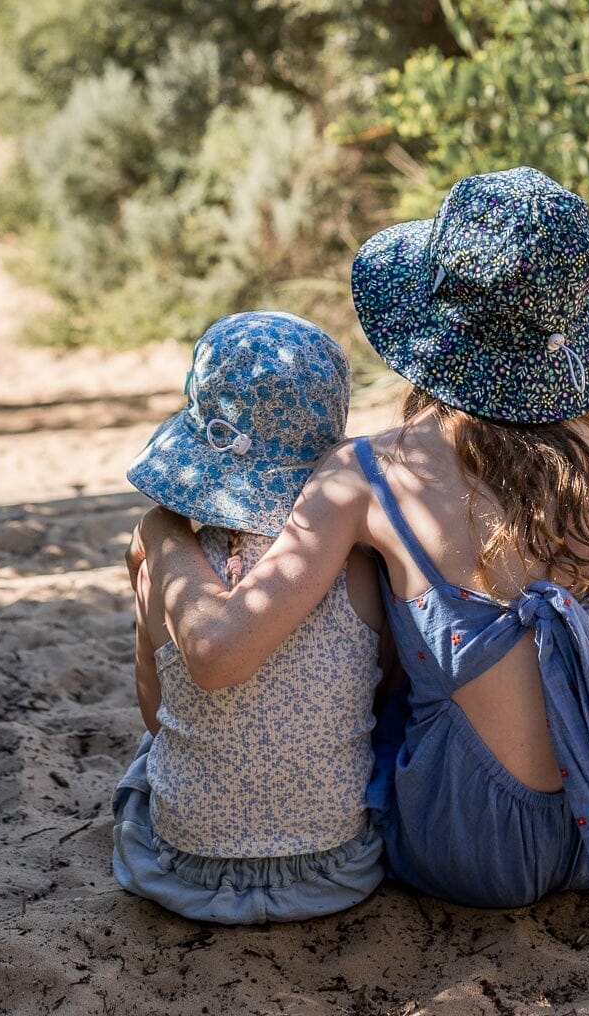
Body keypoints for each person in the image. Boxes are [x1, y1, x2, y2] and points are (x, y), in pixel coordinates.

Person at [141, 167, 589, 910]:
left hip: (469, 847)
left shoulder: (370, 474)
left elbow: (218, 657)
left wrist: (163, 535)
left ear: (435, 324)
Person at [113, 310, 385, 925]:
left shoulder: (166, 560)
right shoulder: (359, 560)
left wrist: (156, 536)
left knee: (147, 763)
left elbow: (155, 714)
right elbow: (381, 692)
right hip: (337, 870)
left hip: (185, 871)